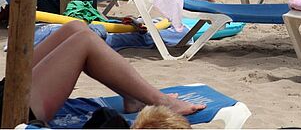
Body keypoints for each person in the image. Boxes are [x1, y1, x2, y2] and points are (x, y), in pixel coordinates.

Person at [0, 20, 203, 124]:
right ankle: (162, 101)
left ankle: (132, 96)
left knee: (76, 28)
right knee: (84, 42)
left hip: (3, 92)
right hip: (8, 113)